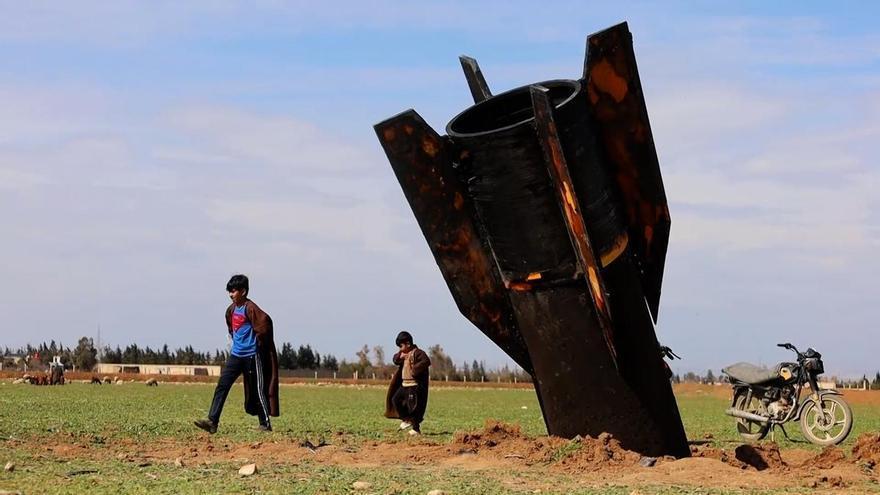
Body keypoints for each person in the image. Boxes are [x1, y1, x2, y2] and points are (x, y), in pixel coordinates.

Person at [195, 274, 280, 433]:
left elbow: (265, 324)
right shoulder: (231, 310)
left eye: (233, 291)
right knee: (222, 385)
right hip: (236, 355)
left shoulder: (251, 308)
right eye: (229, 291)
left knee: (257, 390)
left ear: (243, 291)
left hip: (252, 356)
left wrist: (258, 343)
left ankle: (265, 424)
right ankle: (212, 422)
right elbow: (231, 328)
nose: (230, 294)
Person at [384, 331, 431, 435]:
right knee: (395, 399)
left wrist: (414, 370)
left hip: (413, 385)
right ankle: (406, 419)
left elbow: (426, 361)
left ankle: (416, 429)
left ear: (408, 344)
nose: (400, 349)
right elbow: (395, 360)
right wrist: (399, 357)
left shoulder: (417, 352)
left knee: (412, 407)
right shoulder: (403, 354)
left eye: (401, 346)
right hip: (404, 384)